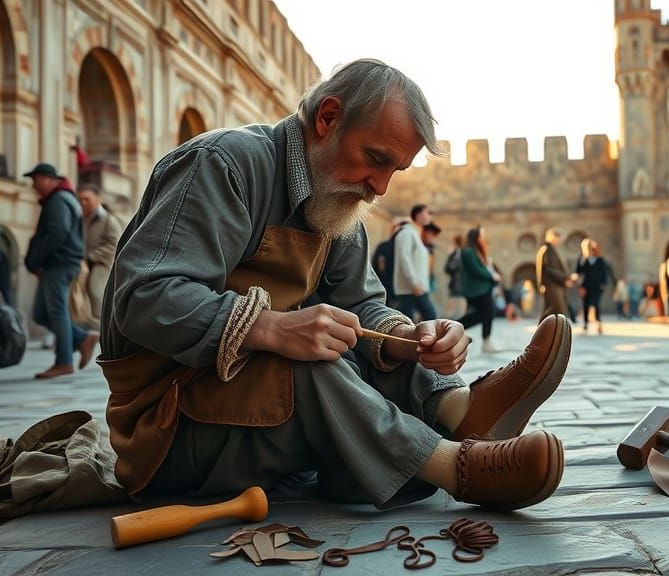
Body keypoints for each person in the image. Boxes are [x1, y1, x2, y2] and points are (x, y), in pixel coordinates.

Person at [98, 59, 571, 511]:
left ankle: (461, 409)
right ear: (328, 118)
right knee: (310, 365)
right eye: (375, 158)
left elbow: (363, 308)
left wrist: (408, 340)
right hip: (167, 426)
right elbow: (144, 298)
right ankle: (456, 469)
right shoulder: (224, 164)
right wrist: (271, 329)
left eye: (394, 171)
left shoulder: (339, 204)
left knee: (369, 350)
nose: (381, 187)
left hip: (250, 411)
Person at [23, 163, 100, 378]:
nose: (34, 186)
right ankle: (82, 338)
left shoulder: (58, 200)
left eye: (35, 180)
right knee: (41, 313)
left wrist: (37, 259)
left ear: (48, 178)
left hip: (59, 263)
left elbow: (57, 233)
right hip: (59, 262)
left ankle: (64, 361)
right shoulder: (61, 198)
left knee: (57, 312)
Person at [76, 183, 123, 330]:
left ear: (98, 199)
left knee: (96, 293)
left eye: (86, 199)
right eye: (80, 199)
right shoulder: (79, 219)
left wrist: (92, 256)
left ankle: (102, 330)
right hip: (81, 263)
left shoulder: (109, 220)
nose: (83, 202)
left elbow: (115, 244)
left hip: (101, 263)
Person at [457, 226, 500, 353]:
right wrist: (492, 276)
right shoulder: (468, 252)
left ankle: (456, 328)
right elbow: (476, 270)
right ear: (476, 237)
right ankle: (454, 327)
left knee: (484, 314)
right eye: (482, 235)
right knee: (485, 313)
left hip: (482, 289)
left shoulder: (476, 252)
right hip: (476, 290)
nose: (484, 238)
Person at [393, 204, 437, 321]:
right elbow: (404, 258)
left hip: (417, 288)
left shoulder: (415, 234)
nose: (429, 216)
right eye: (427, 212)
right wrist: (414, 282)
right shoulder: (406, 233)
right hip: (410, 288)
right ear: (418, 215)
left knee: (422, 318)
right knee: (427, 316)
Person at [536, 228, 574, 321]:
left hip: (555, 285)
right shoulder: (547, 250)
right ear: (552, 237)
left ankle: (545, 332)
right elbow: (549, 269)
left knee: (550, 312)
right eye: (558, 238)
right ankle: (549, 332)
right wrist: (565, 278)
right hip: (551, 286)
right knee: (555, 311)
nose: (559, 241)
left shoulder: (550, 249)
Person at [576, 238, 611, 333]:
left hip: (597, 286)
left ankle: (599, 323)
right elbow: (578, 272)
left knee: (596, 304)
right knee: (586, 305)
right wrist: (580, 286)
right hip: (585, 286)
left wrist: (603, 283)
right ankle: (586, 324)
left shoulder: (600, 260)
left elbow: (604, 273)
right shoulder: (583, 259)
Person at [441, 234, 466, 318]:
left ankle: (448, 321)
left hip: (457, 282)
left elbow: (450, 267)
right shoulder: (462, 253)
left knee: (454, 303)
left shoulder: (457, 253)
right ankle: (459, 324)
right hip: (460, 282)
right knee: (459, 303)